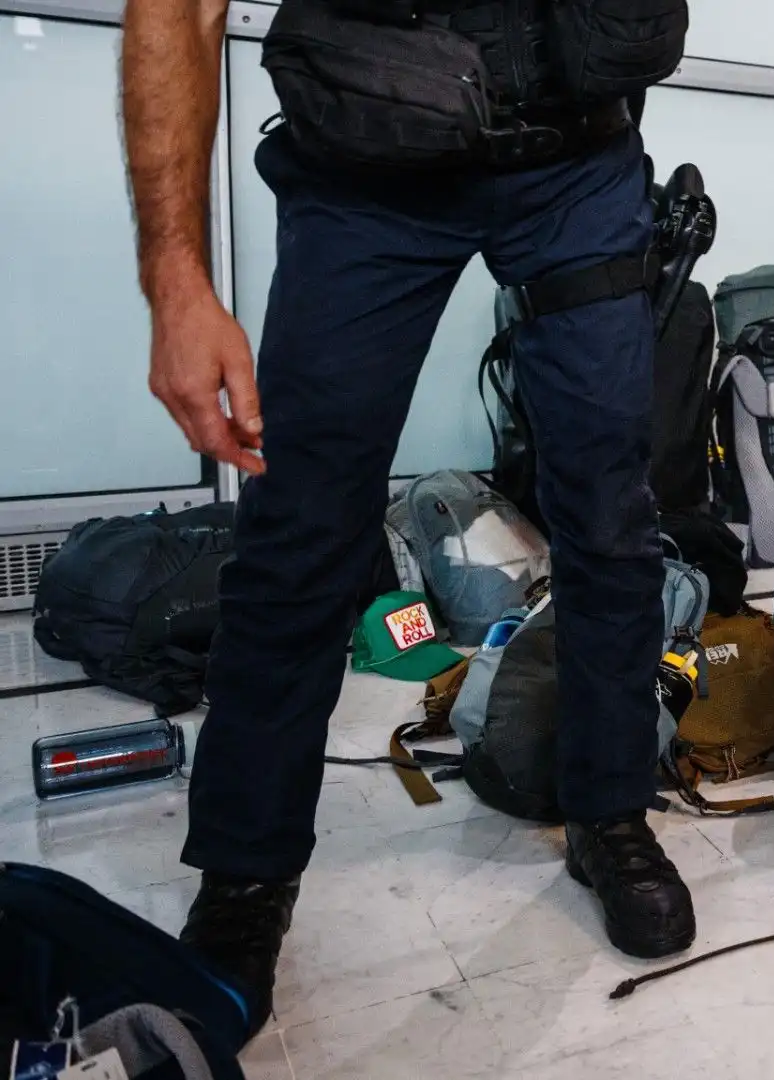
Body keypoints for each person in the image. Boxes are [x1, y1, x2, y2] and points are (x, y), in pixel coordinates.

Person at [121, 0, 695, 1033]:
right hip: (366, 163)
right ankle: (248, 875)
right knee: (300, 529)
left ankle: (608, 810)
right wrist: (177, 281)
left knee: (613, 515)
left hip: (575, 158)